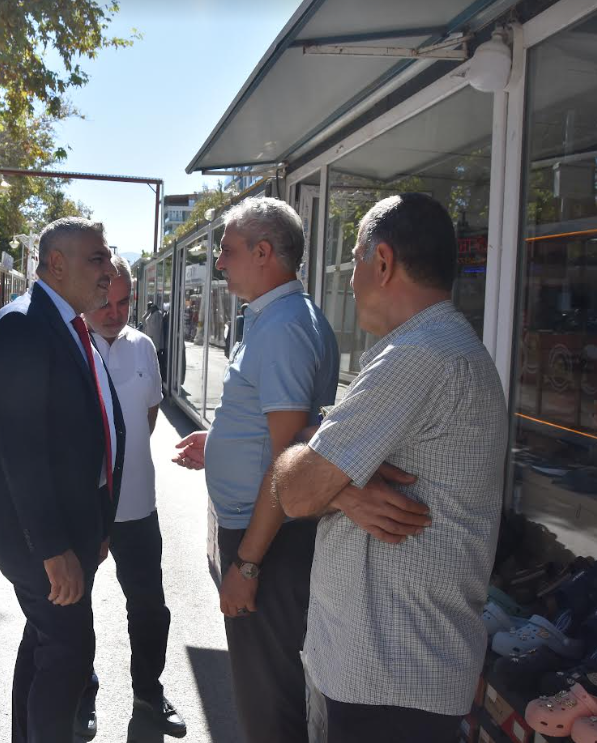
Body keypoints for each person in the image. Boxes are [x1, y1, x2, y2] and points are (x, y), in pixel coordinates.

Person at [270, 193, 509, 743]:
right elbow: (312, 468)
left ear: (382, 261)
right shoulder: (439, 347)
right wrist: (342, 489)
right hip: (392, 672)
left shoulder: (418, 355)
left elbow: (296, 489)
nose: (351, 280)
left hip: (388, 679)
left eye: (354, 259)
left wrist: (327, 483)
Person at [172, 196, 338, 743]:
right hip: (264, 532)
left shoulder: (284, 327)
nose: (220, 262)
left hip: (266, 540)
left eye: (228, 250)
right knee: (267, 689)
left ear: (263, 252)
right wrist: (221, 441)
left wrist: (246, 564)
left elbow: (288, 457)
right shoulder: (279, 317)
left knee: (268, 699)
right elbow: (273, 430)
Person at [0, 217, 126, 743]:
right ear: (56, 264)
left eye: (107, 258)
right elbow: (22, 452)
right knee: (69, 655)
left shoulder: (65, 324)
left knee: (46, 645)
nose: (108, 271)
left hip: (72, 528)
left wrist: (98, 523)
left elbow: (87, 433)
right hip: (40, 540)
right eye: (97, 259)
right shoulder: (24, 327)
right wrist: (54, 549)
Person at [76, 256, 186, 740]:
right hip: (84, 509)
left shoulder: (143, 347)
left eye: (124, 302)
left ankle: (148, 692)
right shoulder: (70, 345)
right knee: (74, 608)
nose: (114, 312)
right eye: (105, 301)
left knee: (149, 607)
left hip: (138, 505)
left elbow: (148, 418)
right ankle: (81, 693)